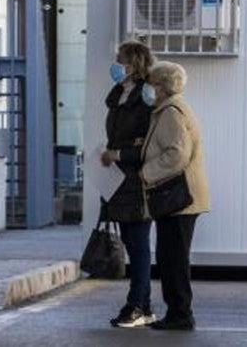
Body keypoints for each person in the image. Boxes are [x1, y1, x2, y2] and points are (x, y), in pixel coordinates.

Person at [140, 61, 210, 331]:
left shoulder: (171, 112)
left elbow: (177, 154)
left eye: (152, 83)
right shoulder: (170, 109)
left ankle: (181, 314)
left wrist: (147, 172)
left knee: (174, 258)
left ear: (161, 86)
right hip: (179, 196)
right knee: (171, 256)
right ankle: (177, 312)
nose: (148, 89)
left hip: (180, 197)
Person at [99, 41, 157, 328]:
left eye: (120, 59)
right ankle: (144, 307)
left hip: (136, 181)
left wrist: (119, 154)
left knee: (138, 246)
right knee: (134, 246)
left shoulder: (146, 97)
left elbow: (148, 144)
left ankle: (135, 306)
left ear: (134, 64)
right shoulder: (120, 94)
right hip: (118, 182)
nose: (116, 63)